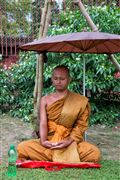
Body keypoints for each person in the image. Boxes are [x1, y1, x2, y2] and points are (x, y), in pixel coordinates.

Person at [17, 65, 101, 163]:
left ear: (69, 79)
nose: (58, 81)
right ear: (52, 79)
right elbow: (43, 123)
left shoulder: (79, 101)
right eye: (55, 78)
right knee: (22, 147)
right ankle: (64, 157)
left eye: (62, 79)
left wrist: (68, 141)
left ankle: (52, 156)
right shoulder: (45, 99)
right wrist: (44, 141)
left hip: (69, 142)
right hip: (49, 141)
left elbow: (80, 126)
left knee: (95, 153)